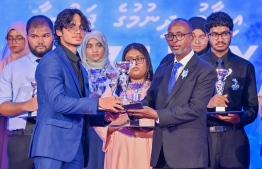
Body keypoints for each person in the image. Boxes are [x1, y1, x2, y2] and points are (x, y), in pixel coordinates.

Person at [28, 9, 123, 169]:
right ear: (58, 31)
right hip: (52, 147)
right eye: (71, 26)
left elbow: (79, 110)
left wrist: (104, 117)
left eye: (81, 27)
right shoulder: (51, 61)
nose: (78, 31)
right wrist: (99, 103)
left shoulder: (80, 66)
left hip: (76, 148)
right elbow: (58, 102)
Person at [128, 18, 217, 169]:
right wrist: (127, 108)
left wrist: (157, 115)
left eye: (180, 35)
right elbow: (149, 100)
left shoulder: (205, 70)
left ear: (191, 37)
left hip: (189, 156)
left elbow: (195, 108)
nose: (174, 40)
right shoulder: (163, 69)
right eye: (170, 36)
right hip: (161, 154)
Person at [200, 11, 258, 168]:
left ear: (231, 34)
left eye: (224, 33)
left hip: (234, 138)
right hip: (202, 138)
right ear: (208, 36)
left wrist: (240, 119)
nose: (220, 39)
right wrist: (207, 104)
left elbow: (252, 108)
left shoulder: (245, 67)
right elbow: (184, 104)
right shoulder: (195, 66)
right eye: (214, 34)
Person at [0, 15, 54, 169]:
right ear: (27, 37)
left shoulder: (65, 66)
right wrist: (26, 105)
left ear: (54, 36)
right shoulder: (11, 68)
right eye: (34, 36)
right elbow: (1, 106)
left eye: (45, 36)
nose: (40, 41)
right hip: (22, 138)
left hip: (56, 136)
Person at [94, 42, 154, 169]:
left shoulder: (156, 89)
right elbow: (98, 119)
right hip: (119, 145)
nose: (134, 63)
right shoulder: (114, 90)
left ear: (147, 62)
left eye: (139, 58)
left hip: (147, 145)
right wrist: (111, 128)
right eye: (129, 60)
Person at [80, 29, 115, 169]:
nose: (94, 50)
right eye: (89, 46)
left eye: (98, 45)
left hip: (106, 129)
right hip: (83, 127)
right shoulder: (77, 72)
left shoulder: (116, 73)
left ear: (105, 47)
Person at [0, 21, 30, 169]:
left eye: (19, 37)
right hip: (2, 121)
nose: (14, 42)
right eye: (10, 38)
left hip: (24, 125)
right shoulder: (2, 65)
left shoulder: (34, 65)